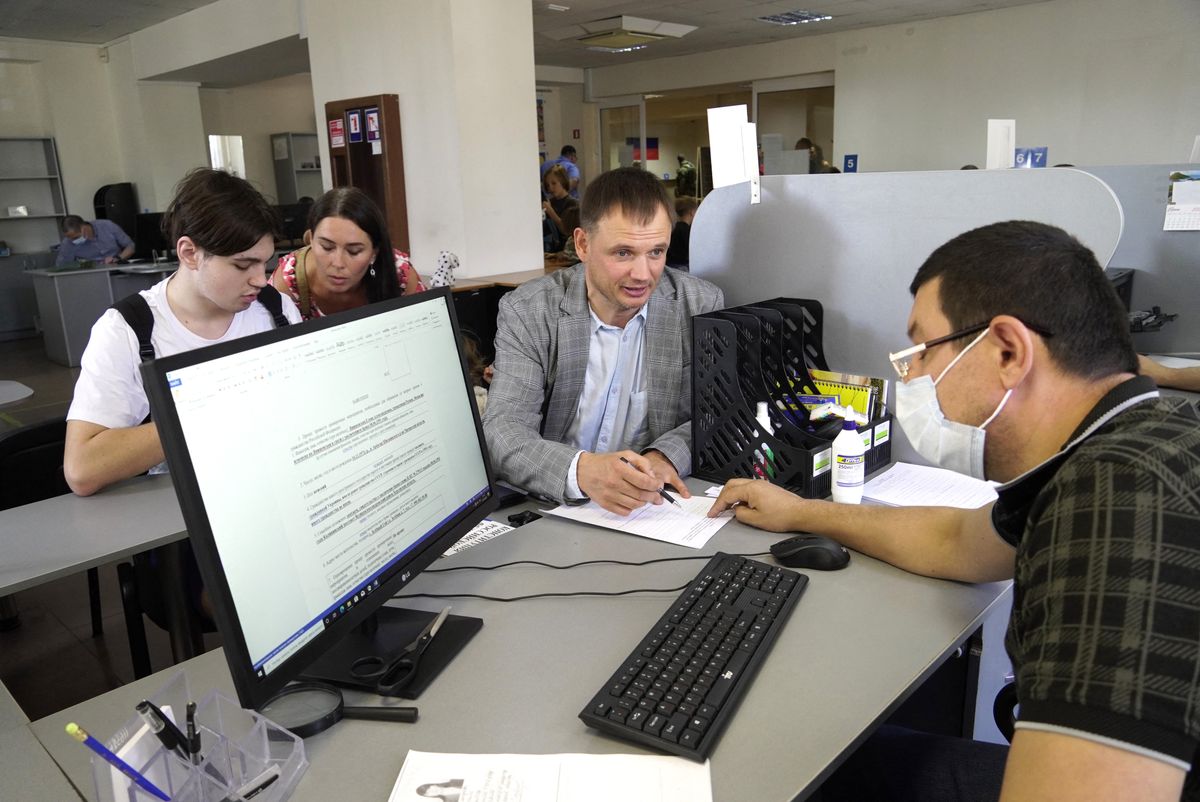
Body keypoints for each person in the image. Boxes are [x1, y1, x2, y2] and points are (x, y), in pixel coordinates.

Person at [709, 220, 1200, 801]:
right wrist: (802, 513)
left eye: (919, 352)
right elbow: (957, 542)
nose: (911, 377)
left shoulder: (1120, 502)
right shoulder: (1132, 440)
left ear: (1009, 352)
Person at [483, 167, 724, 515]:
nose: (643, 274)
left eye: (656, 252)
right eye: (623, 253)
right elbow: (503, 431)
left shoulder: (699, 305)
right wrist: (581, 471)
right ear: (583, 244)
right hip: (552, 507)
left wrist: (664, 455)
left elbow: (714, 413)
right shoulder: (530, 310)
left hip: (651, 510)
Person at [64, 168, 303, 497]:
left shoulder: (276, 310)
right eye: (242, 265)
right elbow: (82, 469)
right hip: (185, 514)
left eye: (265, 262)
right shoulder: (128, 331)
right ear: (190, 253)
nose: (261, 279)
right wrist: (215, 411)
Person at [271, 187, 424, 320]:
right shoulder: (286, 284)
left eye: (354, 251)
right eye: (326, 247)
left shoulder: (398, 274)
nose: (338, 263)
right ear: (311, 239)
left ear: (374, 252)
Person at [54, 214, 134, 266]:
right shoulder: (68, 243)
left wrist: (118, 259)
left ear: (84, 227)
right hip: (93, 275)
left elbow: (130, 246)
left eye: (76, 237)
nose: (73, 241)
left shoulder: (107, 226)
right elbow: (61, 267)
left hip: (119, 267)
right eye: (70, 238)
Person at [541, 165, 578, 241]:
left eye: (554, 183)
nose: (550, 188)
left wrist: (550, 211)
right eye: (548, 185)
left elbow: (565, 230)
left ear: (563, 182)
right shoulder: (550, 202)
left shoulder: (572, 203)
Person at [666, 196, 698, 269]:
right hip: (682, 266)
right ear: (692, 212)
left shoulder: (672, 227)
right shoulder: (688, 230)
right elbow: (693, 251)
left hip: (669, 264)